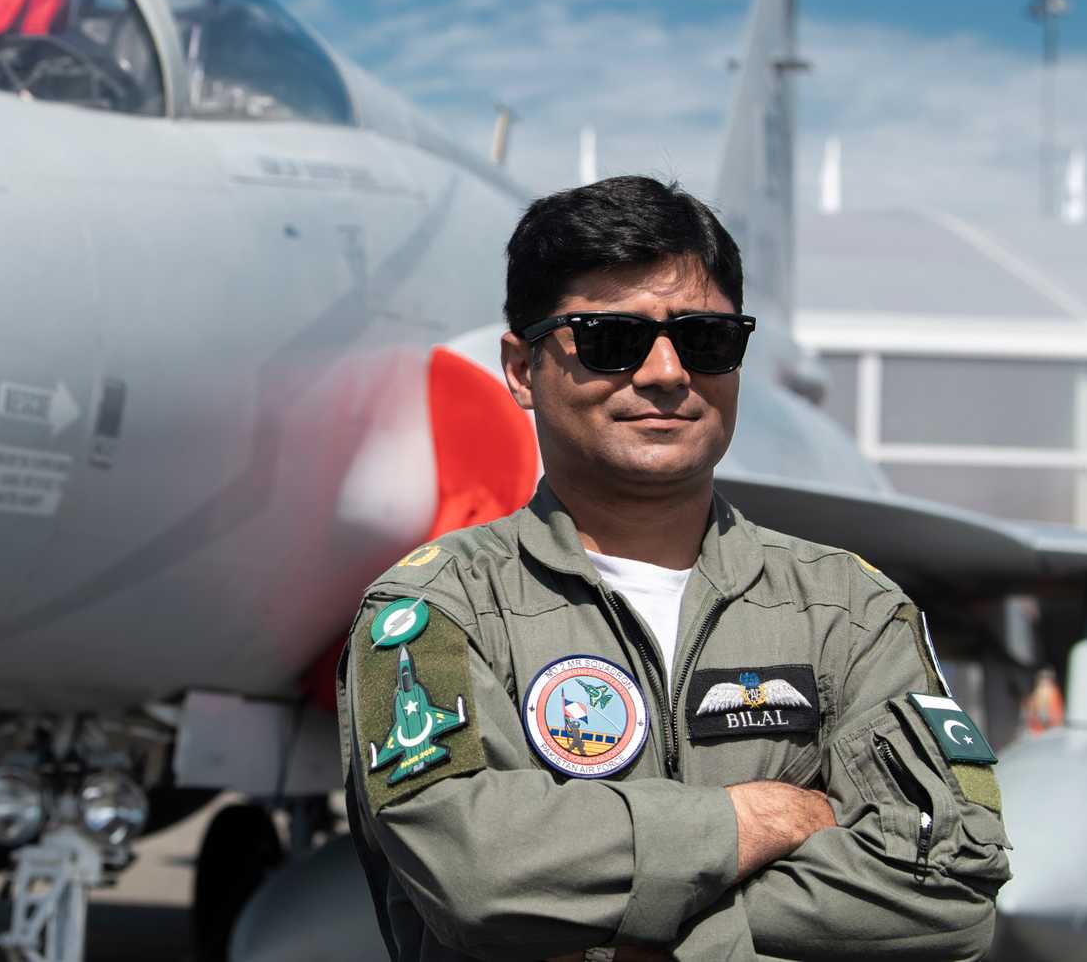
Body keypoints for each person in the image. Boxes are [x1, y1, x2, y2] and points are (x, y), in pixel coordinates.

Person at [338, 176, 1010, 962]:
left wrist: (617, 925)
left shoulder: (849, 610)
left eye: (706, 339)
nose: (665, 371)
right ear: (521, 370)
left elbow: (951, 892)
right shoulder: (437, 611)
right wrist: (756, 819)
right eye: (609, 338)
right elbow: (481, 878)